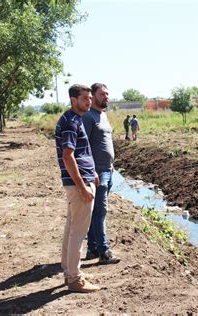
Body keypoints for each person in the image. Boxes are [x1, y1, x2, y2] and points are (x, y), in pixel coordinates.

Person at [55, 84, 100, 292]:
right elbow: (68, 156)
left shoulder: (73, 119)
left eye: (90, 98)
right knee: (79, 231)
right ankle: (74, 279)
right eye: (85, 98)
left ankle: (70, 270)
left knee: (72, 228)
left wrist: (93, 174)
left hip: (81, 180)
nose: (89, 102)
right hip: (77, 184)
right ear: (73, 100)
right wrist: (83, 186)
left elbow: (81, 152)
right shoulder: (71, 122)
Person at [82, 83, 120, 264]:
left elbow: (104, 142)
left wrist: (110, 164)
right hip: (96, 172)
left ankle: (92, 249)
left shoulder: (103, 115)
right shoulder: (88, 117)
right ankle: (104, 251)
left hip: (107, 170)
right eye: (103, 94)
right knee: (100, 212)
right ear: (93, 96)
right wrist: (91, 170)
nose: (106, 97)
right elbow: (83, 147)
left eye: (108, 94)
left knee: (96, 212)